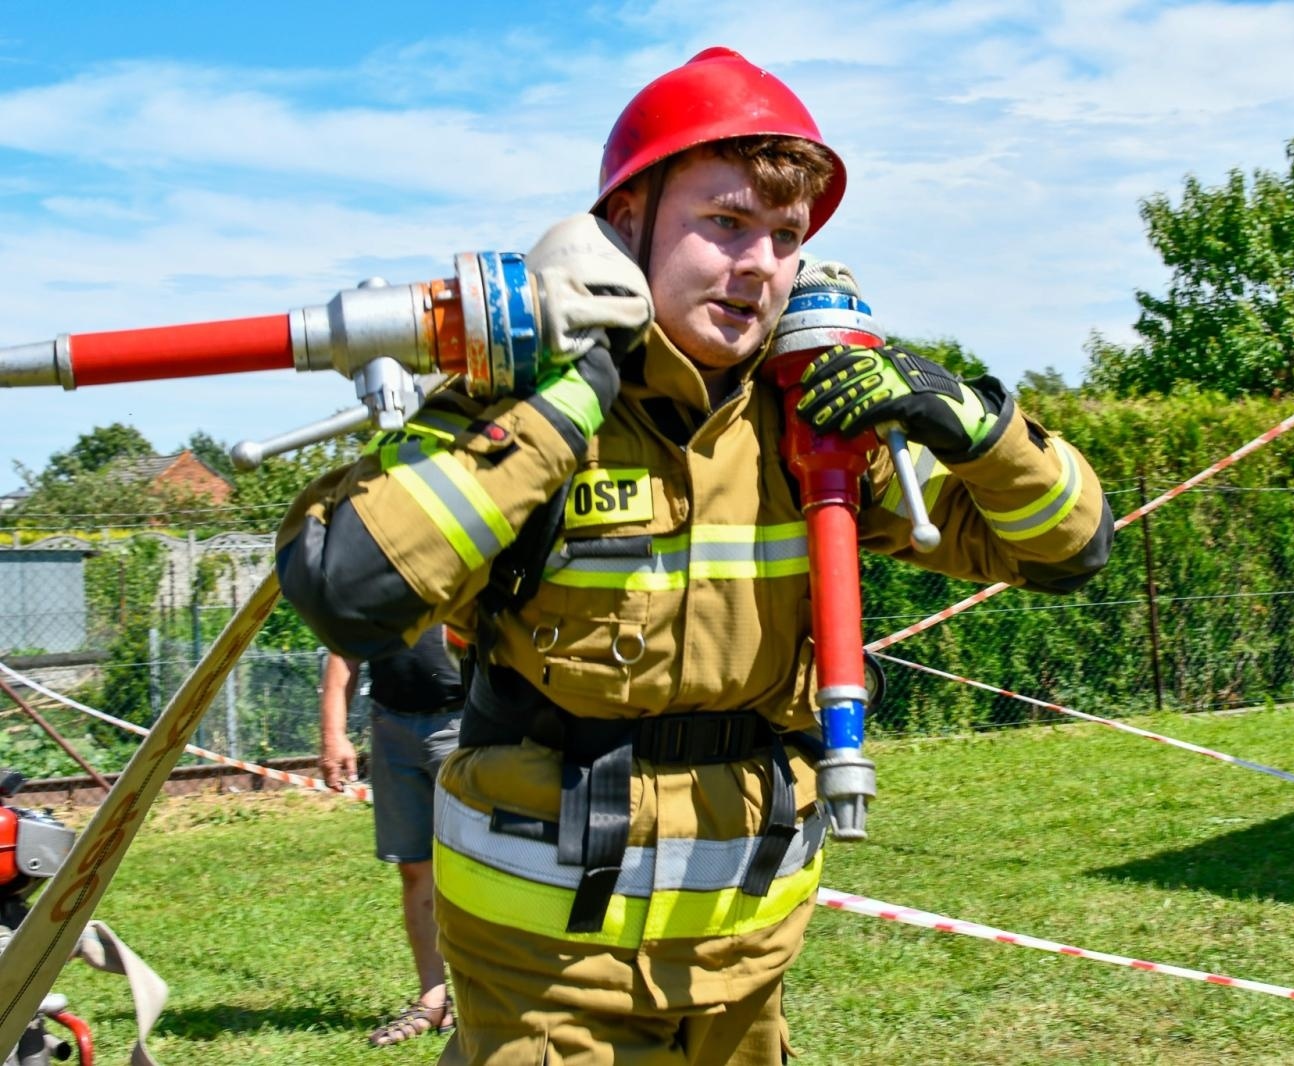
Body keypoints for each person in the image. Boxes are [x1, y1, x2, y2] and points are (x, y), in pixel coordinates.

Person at [276, 46, 1113, 1066]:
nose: (757, 263)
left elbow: (1069, 550)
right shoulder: (521, 399)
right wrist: (569, 394)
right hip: (544, 963)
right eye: (723, 222)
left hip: (744, 953)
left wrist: (977, 424)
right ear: (624, 224)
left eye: (784, 236)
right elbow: (348, 591)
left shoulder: (821, 427)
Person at [318, 624, 465, 1047]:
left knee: (485, 869)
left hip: (465, 721)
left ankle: (494, 1000)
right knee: (416, 870)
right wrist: (334, 735)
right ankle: (433, 1000)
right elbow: (343, 647)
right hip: (392, 726)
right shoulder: (379, 569)